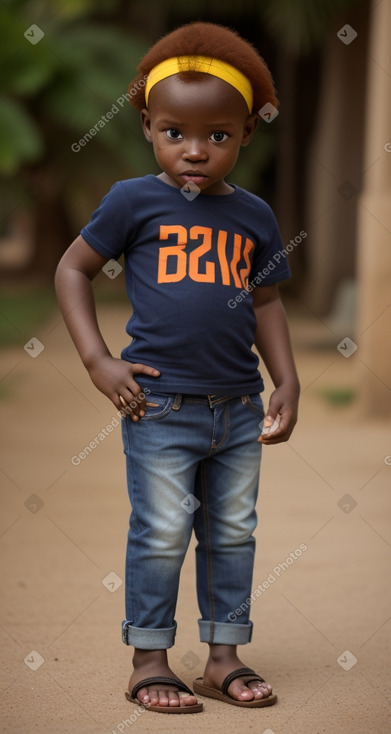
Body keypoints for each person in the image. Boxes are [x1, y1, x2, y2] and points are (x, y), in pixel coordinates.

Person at [55, 20, 300, 715]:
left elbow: (267, 301)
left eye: (217, 136)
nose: (194, 151)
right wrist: (98, 359)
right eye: (174, 133)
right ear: (147, 127)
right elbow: (72, 269)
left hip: (239, 407)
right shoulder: (133, 201)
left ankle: (221, 658)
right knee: (161, 531)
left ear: (246, 133)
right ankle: (150, 660)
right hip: (159, 408)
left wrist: (285, 378)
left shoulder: (253, 215)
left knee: (231, 532)